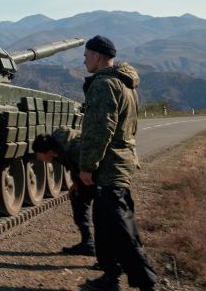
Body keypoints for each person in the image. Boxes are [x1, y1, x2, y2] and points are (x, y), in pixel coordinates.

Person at [78, 35, 158, 291]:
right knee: (103, 221)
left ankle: (146, 280)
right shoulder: (125, 84)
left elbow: (99, 130)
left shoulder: (104, 85)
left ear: (97, 56)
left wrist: (88, 165)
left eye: (86, 54)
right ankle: (110, 275)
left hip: (110, 164)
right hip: (119, 160)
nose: (84, 59)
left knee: (120, 225)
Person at [32, 127, 96, 256]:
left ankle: (111, 255)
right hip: (87, 174)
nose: (38, 158)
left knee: (105, 213)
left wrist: (83, 182)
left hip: (101, 174)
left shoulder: (75, 147)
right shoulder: (58, 150)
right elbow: (73, 165)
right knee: (77, 197)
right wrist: (76, 183)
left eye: (38, 154)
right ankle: (88, 243)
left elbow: (90, 163)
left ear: (48, 152)